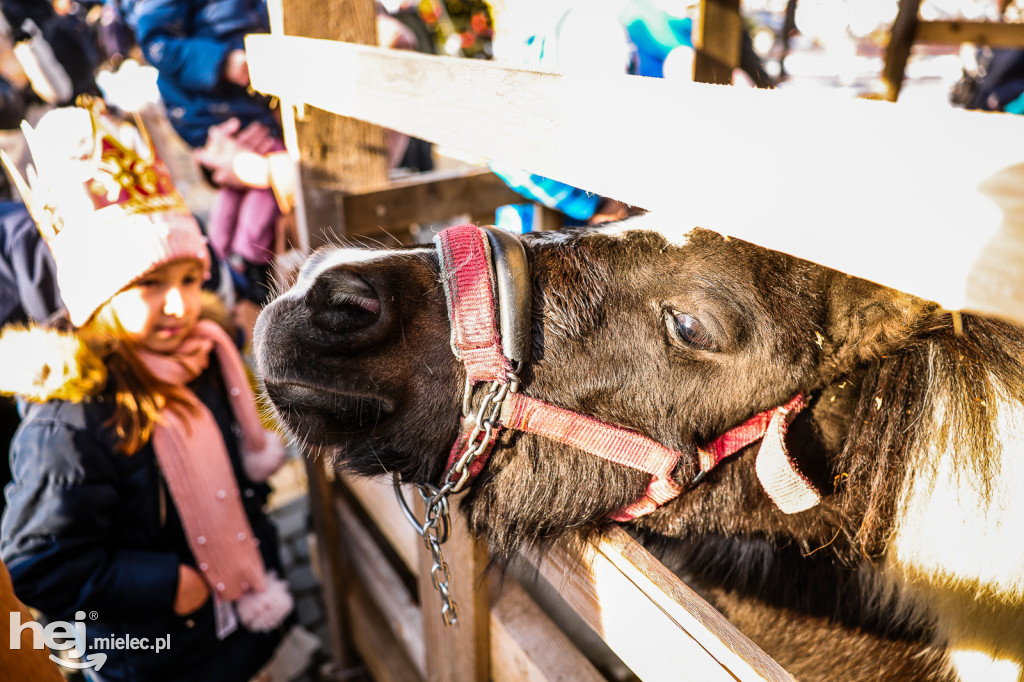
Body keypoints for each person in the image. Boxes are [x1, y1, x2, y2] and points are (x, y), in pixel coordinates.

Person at [0, 101, 292, 682]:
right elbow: (39, 565)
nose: (181, 305)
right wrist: (168, 586)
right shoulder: (70, 422)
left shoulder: (200, 358)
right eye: (149, 285)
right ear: (95, 297)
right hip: (153, 650)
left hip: (232, 621)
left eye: (189, 277)